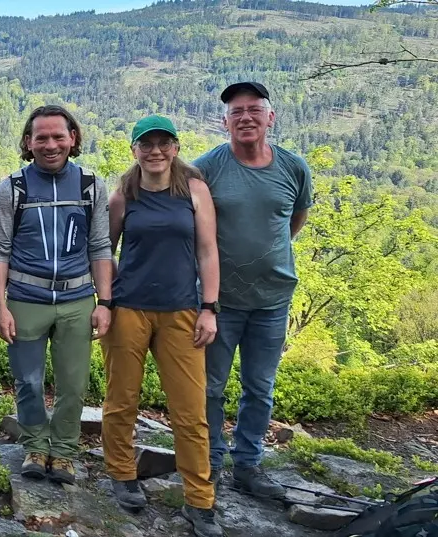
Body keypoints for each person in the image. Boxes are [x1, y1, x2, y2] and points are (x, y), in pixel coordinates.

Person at [100, 115, 222, 537]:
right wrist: (107, 296)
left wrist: (209, 307)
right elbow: (103, 250)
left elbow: (208, 252)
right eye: (146, 143)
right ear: (134, 149)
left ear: (175, 146)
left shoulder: (194, 190)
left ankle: (200, 500)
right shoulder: (124, 195)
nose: (155, 151)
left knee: (190, 412)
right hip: (128, 309)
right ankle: (121, 472)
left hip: (182, 311)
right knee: (121, 399)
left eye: (163, 143)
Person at [196, 81, 313, 500]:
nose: (246, 117)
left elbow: (292, 221)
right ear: (224, 121)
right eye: (237, 111)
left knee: (260, 388)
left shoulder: (293, 168)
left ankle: (248, 464)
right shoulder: (206, 168)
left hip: (273, 299)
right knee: (209, 386)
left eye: (254, 110)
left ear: (270, 117)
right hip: (218, 302)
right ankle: (208, 461)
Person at [0, 105, 114, 486]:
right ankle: (35, 446)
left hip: (78, 300)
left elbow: (101, 246)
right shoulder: (12, 188)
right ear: (28, 143)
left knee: (73, 384)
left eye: (58, 136)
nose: (50, 144)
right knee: (27, 381)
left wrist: (104, 303)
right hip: (26, 298)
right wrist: (0, 305)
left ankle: (63, 452)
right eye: (40, 137)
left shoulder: (92, 186)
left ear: (73, 138)